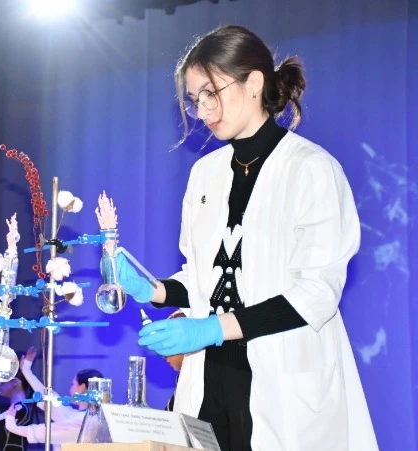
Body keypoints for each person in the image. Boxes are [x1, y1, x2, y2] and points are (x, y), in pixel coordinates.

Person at [109, 25, 378, 450]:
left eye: (211, 94)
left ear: (253, 83)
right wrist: (155, 290)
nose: (203, 111)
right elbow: (205, 279)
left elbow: (315, 293)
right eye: (194, 100)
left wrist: (213, 328)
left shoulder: (311, 169)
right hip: (212, 376)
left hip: (282, 378)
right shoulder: (205, 174)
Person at [4, 346, 103, 449]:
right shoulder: (79, 416)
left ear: (82, 387)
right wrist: (26, 371)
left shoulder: (83, 421)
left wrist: (12, 426)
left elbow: (46, 432)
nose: (70, 389)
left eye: (73, 384)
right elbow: (51, 399)